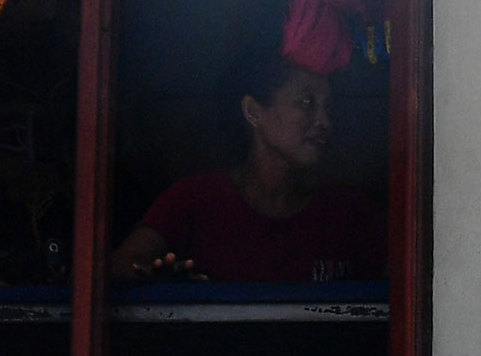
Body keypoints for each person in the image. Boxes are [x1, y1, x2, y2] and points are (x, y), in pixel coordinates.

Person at [112, 48, 384, 284]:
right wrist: (161, 282)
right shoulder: (194, 199)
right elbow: (120, 267)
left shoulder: (348, 212)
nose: (324, 121)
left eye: (328, 107)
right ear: (253, 112)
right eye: (306, 102)